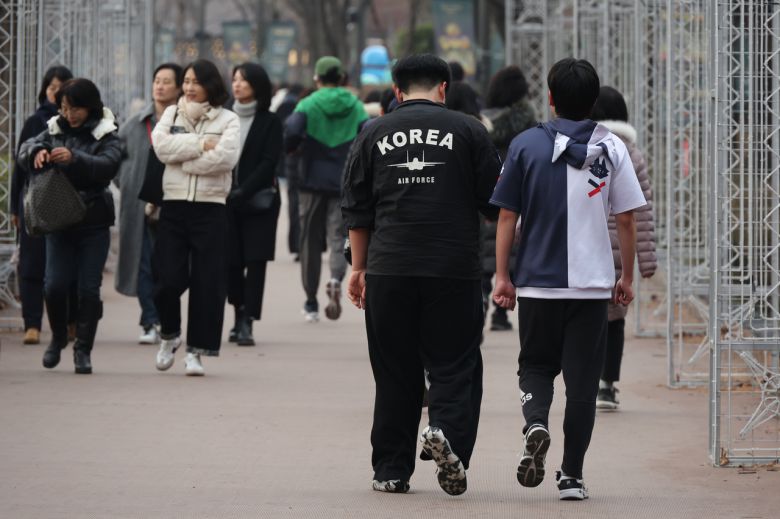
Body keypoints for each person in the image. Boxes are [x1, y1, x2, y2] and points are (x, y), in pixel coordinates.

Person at [342, 54, 502, 495]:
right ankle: (447, 434)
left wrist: (359, 268)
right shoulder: (469, 130)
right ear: (443, 89)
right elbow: (495, 203)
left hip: (389, 266)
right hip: (453, 267)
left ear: (397, 91)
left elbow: (357, 210)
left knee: (394, 369)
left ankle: (391, 469)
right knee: (456, 362)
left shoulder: (372, 132)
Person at [490, 58, 647, 500]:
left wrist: (502, 276)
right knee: (582, 382)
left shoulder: (525, 145)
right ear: (593, 101)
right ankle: (572, 476)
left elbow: (507, 216)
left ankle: (535, 423)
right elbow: (627, 219)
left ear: (550, 98)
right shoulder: (613, 148)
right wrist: (626, 276)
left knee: (535, 366)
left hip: (537, 283)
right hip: (592, 286)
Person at [18, 78, 123, 374]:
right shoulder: (54, 129)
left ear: (90, 107)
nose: (69, 114)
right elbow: (25, 148)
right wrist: (36, 152)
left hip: (94, 222)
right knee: (54, 285)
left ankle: (83, 350)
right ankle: (58, 337)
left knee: (89, 289)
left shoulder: (106, 131)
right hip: (59, 220)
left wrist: (76, 158)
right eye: (64, 108)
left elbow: (109, 164)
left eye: (75, 108)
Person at [151, 59, 240, 376]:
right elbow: (161, 147)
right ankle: (169, 334)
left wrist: (185, 162)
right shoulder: (172, 113)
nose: (188, 87)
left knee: (207, 283)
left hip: (210, 207)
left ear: (210, 85)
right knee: (166, 280)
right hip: (173, 205)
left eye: (195, 82)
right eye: (186, 81)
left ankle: (196, 352)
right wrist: (201, 144)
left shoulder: (229, 119)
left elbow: (226, 158)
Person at [284, 56, 368, 322]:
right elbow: (367, 132)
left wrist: (294, 149)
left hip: (310, 179)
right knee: (339, 236)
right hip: (344, 180)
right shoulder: (355, 105)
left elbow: (291, 132)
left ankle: (311, 301)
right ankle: (335, 278)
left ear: (317, 78)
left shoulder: (308, 103)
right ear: (342, 78)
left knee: (309, 239)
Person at [590, 86, 657, 410]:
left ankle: (585, 380)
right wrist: (646, 261)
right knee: (615, 318)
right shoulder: (631, 152)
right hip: (621, 247)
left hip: (585, 244)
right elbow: (641, 212)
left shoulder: (582, 149)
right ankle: (607, 386)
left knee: (585, 317)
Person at [115, 63, 183, 345]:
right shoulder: (135, 124)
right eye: (157, 80)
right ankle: (149, 320)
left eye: (167, 81)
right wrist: (128, 183)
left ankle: (164, 319)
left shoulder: (185, 123)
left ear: (179, 88)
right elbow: (115, 159)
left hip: (174, 204)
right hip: (139, 206)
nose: (160, 86)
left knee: (167, 267)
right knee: (142, 263)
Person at [11, 65, 74, 345]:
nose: (55, 93)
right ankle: (32, 324)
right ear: (44, 90)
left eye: (62, 88)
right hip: (34, 201)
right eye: (52, 88)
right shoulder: (35, 122)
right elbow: (20, 167)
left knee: (66, 266)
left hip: (69, 203)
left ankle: (70, 322)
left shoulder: (78, 123)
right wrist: (15, 208)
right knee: (32, 263)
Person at [226, 63, 282, 346]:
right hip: (225, 200)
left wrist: (243, 190)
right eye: (235, 79)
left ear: (257, 86)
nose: (237, 84)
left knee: (256, 261)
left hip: (261, 201)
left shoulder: (270, 121)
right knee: (231, 261)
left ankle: (248, 320)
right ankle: (237, 313)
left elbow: (269, 162)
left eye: (244, 80)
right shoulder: (223, 116)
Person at [480, 66, 537, 331]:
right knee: (510, 252)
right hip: (516, 191)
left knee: (483, 254)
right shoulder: (528, 123)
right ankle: (501, 313)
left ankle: (481, 300)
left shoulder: (483, 122)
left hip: (487, 192)